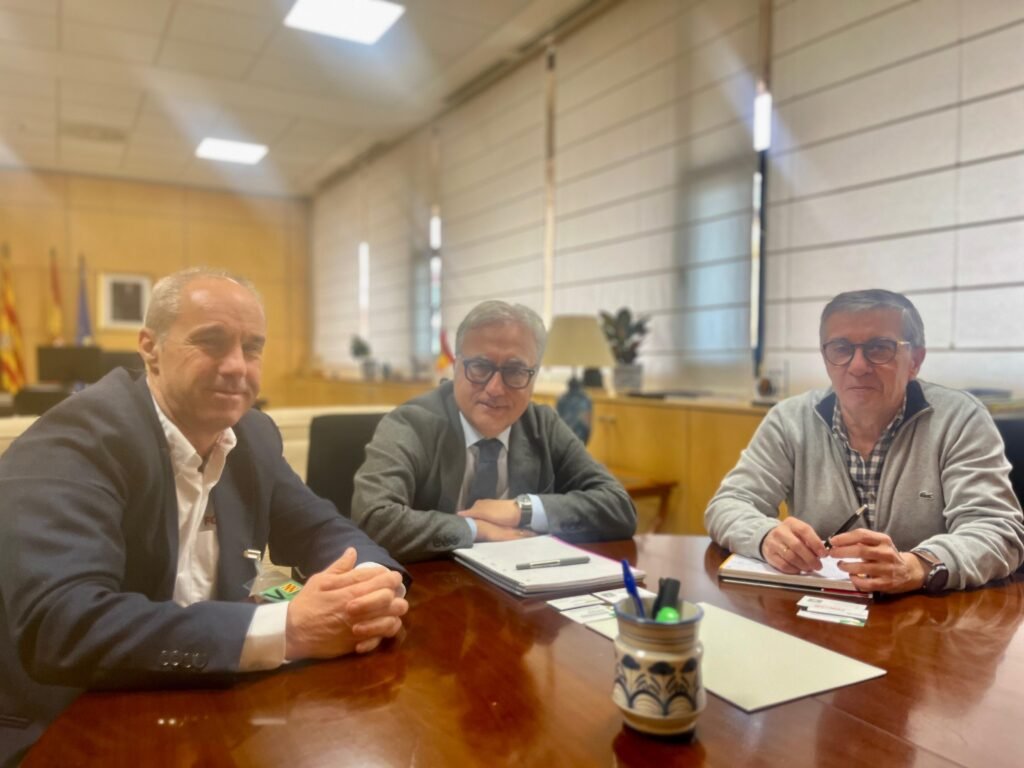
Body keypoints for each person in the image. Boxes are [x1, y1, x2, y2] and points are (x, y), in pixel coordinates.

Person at [0, 268, 409, 765]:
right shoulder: (74, 441)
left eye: (252, 348)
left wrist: (369, 585)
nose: (237, 366)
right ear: (150, 348)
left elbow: (322, 528)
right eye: (211, 342)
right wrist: (290, 628)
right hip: (71, 720)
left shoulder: (251, 435)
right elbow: (64, 625)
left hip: (208, 707)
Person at [705, 289, 1024, 594]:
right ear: (826, 358)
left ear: (915, 360)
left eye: (879, 348)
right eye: (841, 348)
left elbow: (998, 532)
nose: (858, 366)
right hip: (822, 609)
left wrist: (916, 567)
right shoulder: (790, 420)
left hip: (931, 615)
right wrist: (765, 536)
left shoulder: (960, 418)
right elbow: (728, 504)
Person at [351, 300, 636, 562]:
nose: (495, 388)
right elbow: (373, 518)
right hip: (432, 587)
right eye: (479, 367)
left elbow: (619, 508)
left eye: (514, 371)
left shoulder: (543, 426)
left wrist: (522, 510)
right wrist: (475, 529)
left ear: (533, 377)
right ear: (456, 366)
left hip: (522, 588)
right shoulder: (411, 424)